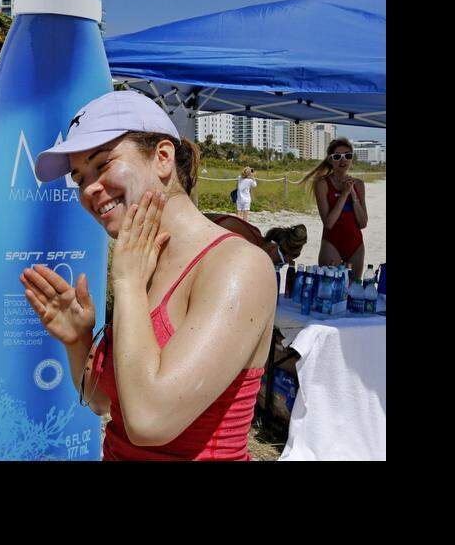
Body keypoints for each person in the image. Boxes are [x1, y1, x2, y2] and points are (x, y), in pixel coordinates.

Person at [20, 90, 277, 461]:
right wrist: (78, 342)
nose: (90, 188)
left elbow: (148, 421)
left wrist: (126, 285)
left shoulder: (238, 266)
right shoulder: (143, 262)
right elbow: (108, 403)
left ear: (162, 158)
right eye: (79, 178)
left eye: (103, 163)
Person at [302, 137, 368, 280]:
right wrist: (344, 194)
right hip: (332, 243)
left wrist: (353, 195)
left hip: (355, 244)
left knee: (352, 292)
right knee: (328, 292)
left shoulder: (358, 184)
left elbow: (362, 223)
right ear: (330, 160)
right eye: (337, 156)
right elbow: (329, 223)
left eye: (348, 156)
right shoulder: (322, 183)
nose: (343, 160)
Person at [204, 212, 307, 268]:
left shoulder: (255, 236)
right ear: (272, 247)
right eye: (280, 262)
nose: (276, 267)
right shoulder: (241, 242)